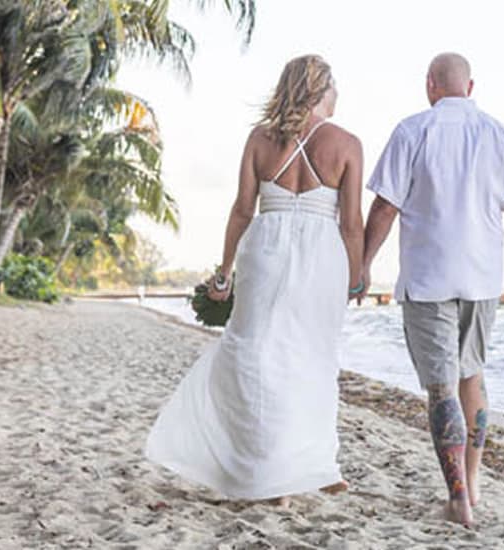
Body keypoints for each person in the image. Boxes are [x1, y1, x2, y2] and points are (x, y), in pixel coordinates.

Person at [145, 55, 367, 504]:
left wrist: (225, 271)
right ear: (321, 91)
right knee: (312, 356)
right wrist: (355, 276)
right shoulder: (347, 144)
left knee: (255, 354)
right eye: (334, 86)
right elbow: (352, 224)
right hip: (321, 255)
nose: (339, 94)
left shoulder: (260, 140)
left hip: (265, 248)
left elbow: (243, 210)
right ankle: (307, 465)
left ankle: (285, 469)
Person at [360, 52, 504, 527]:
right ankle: (475, 484)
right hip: (482, 280)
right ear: (471, 86)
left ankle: (458, 500)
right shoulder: (502, 135)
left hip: (428, 280)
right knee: (472, 376)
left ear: (430, 85)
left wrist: (360, 264)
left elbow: (384, 208)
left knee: (442, 387)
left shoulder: (412, 130)